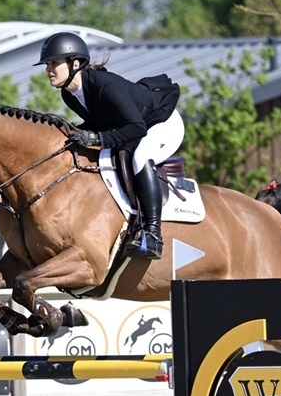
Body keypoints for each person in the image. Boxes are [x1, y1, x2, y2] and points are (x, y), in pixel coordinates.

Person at [36, 32, 182, 260]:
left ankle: (153, 233)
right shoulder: (69, 94)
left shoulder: (105, 85)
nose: (48, 69)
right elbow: (99, 122)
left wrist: (96, 139)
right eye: (47, 64)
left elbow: (137, 128)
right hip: (132, 125)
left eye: (54, 63)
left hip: (162, 123)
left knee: (140, 157)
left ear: (75, 64)